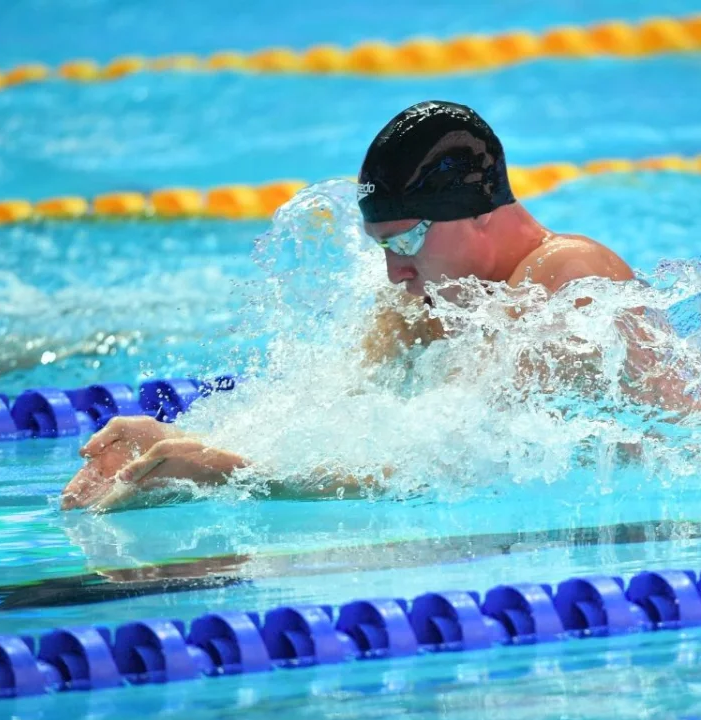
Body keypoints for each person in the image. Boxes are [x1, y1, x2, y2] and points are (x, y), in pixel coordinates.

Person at [62, 100, 642, 512]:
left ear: (480, 213)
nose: (396, 269)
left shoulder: (565, 276)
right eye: (384, 247)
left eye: (408, 241)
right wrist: (179, 443)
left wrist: (232, 473)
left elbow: (443, 466)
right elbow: (335, 413)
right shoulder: (425, 297)